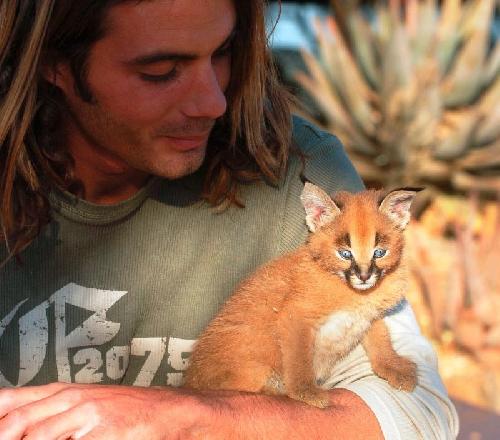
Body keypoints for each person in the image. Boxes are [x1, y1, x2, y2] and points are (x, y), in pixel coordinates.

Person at [0, 0, 458, 438]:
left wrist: (190, 419)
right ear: (54, 64)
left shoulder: (294, 170)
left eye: (223, 53)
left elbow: (416, 414)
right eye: (160, 72)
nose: (213, 102)